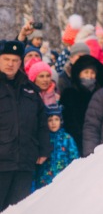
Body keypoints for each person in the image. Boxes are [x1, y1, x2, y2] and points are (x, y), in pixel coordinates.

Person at [0, 40, 48, 210]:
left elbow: (42, 121)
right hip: (1, 162)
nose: (10, 64)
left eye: (15, 60)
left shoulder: (30, 89)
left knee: (19, 209)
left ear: (21, 62)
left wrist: (43, 149)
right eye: (6, 59)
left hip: (25, 162)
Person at [58, 54, 103, 155]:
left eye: (92, 72)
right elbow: (69, 122)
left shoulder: (101, 93)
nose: (89, 76)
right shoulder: (70, 94)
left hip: (100, 141)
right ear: (79, 74)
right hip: (76, 143)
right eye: (86, 72)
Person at [32, 105, 78, 192]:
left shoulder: (67, 139)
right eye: (50, 120)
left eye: (56, 119)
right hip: (44, 183)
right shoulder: (42, 139)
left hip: (63, 182)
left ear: (61, 121)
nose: (53, 123)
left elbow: (75, 160)